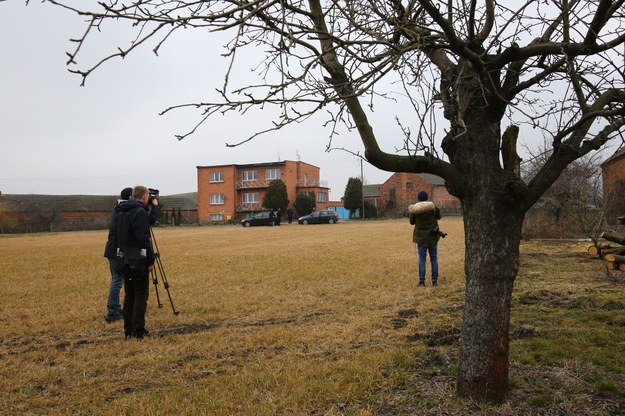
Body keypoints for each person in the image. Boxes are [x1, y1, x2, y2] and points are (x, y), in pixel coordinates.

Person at [115, 185, 160, 339]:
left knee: (129, 295)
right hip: (138, 259)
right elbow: (143, 239)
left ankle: (128, 330)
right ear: (145, 197)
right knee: (141, 295)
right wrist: (150, 260)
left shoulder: (121, 210)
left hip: (123, 257)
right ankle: (138, 331)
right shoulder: (139, 212)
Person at [103, 187, 133, 323]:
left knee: (117, 279)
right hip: (116, 251)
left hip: (113, 249)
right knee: (117, 280)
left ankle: (115, 308)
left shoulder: (119, 209)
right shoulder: (123, 211)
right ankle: (113, 312)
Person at [409, 191, 441, 287]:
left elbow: (412, 222)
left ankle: (422, 282)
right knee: (434, 259)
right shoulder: (433, 207)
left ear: (418, 198)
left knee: (422, 260)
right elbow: (439, 217)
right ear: (427, 198)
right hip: (432, 237)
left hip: (421, 238)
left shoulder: (415, 209)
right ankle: (434, 282)